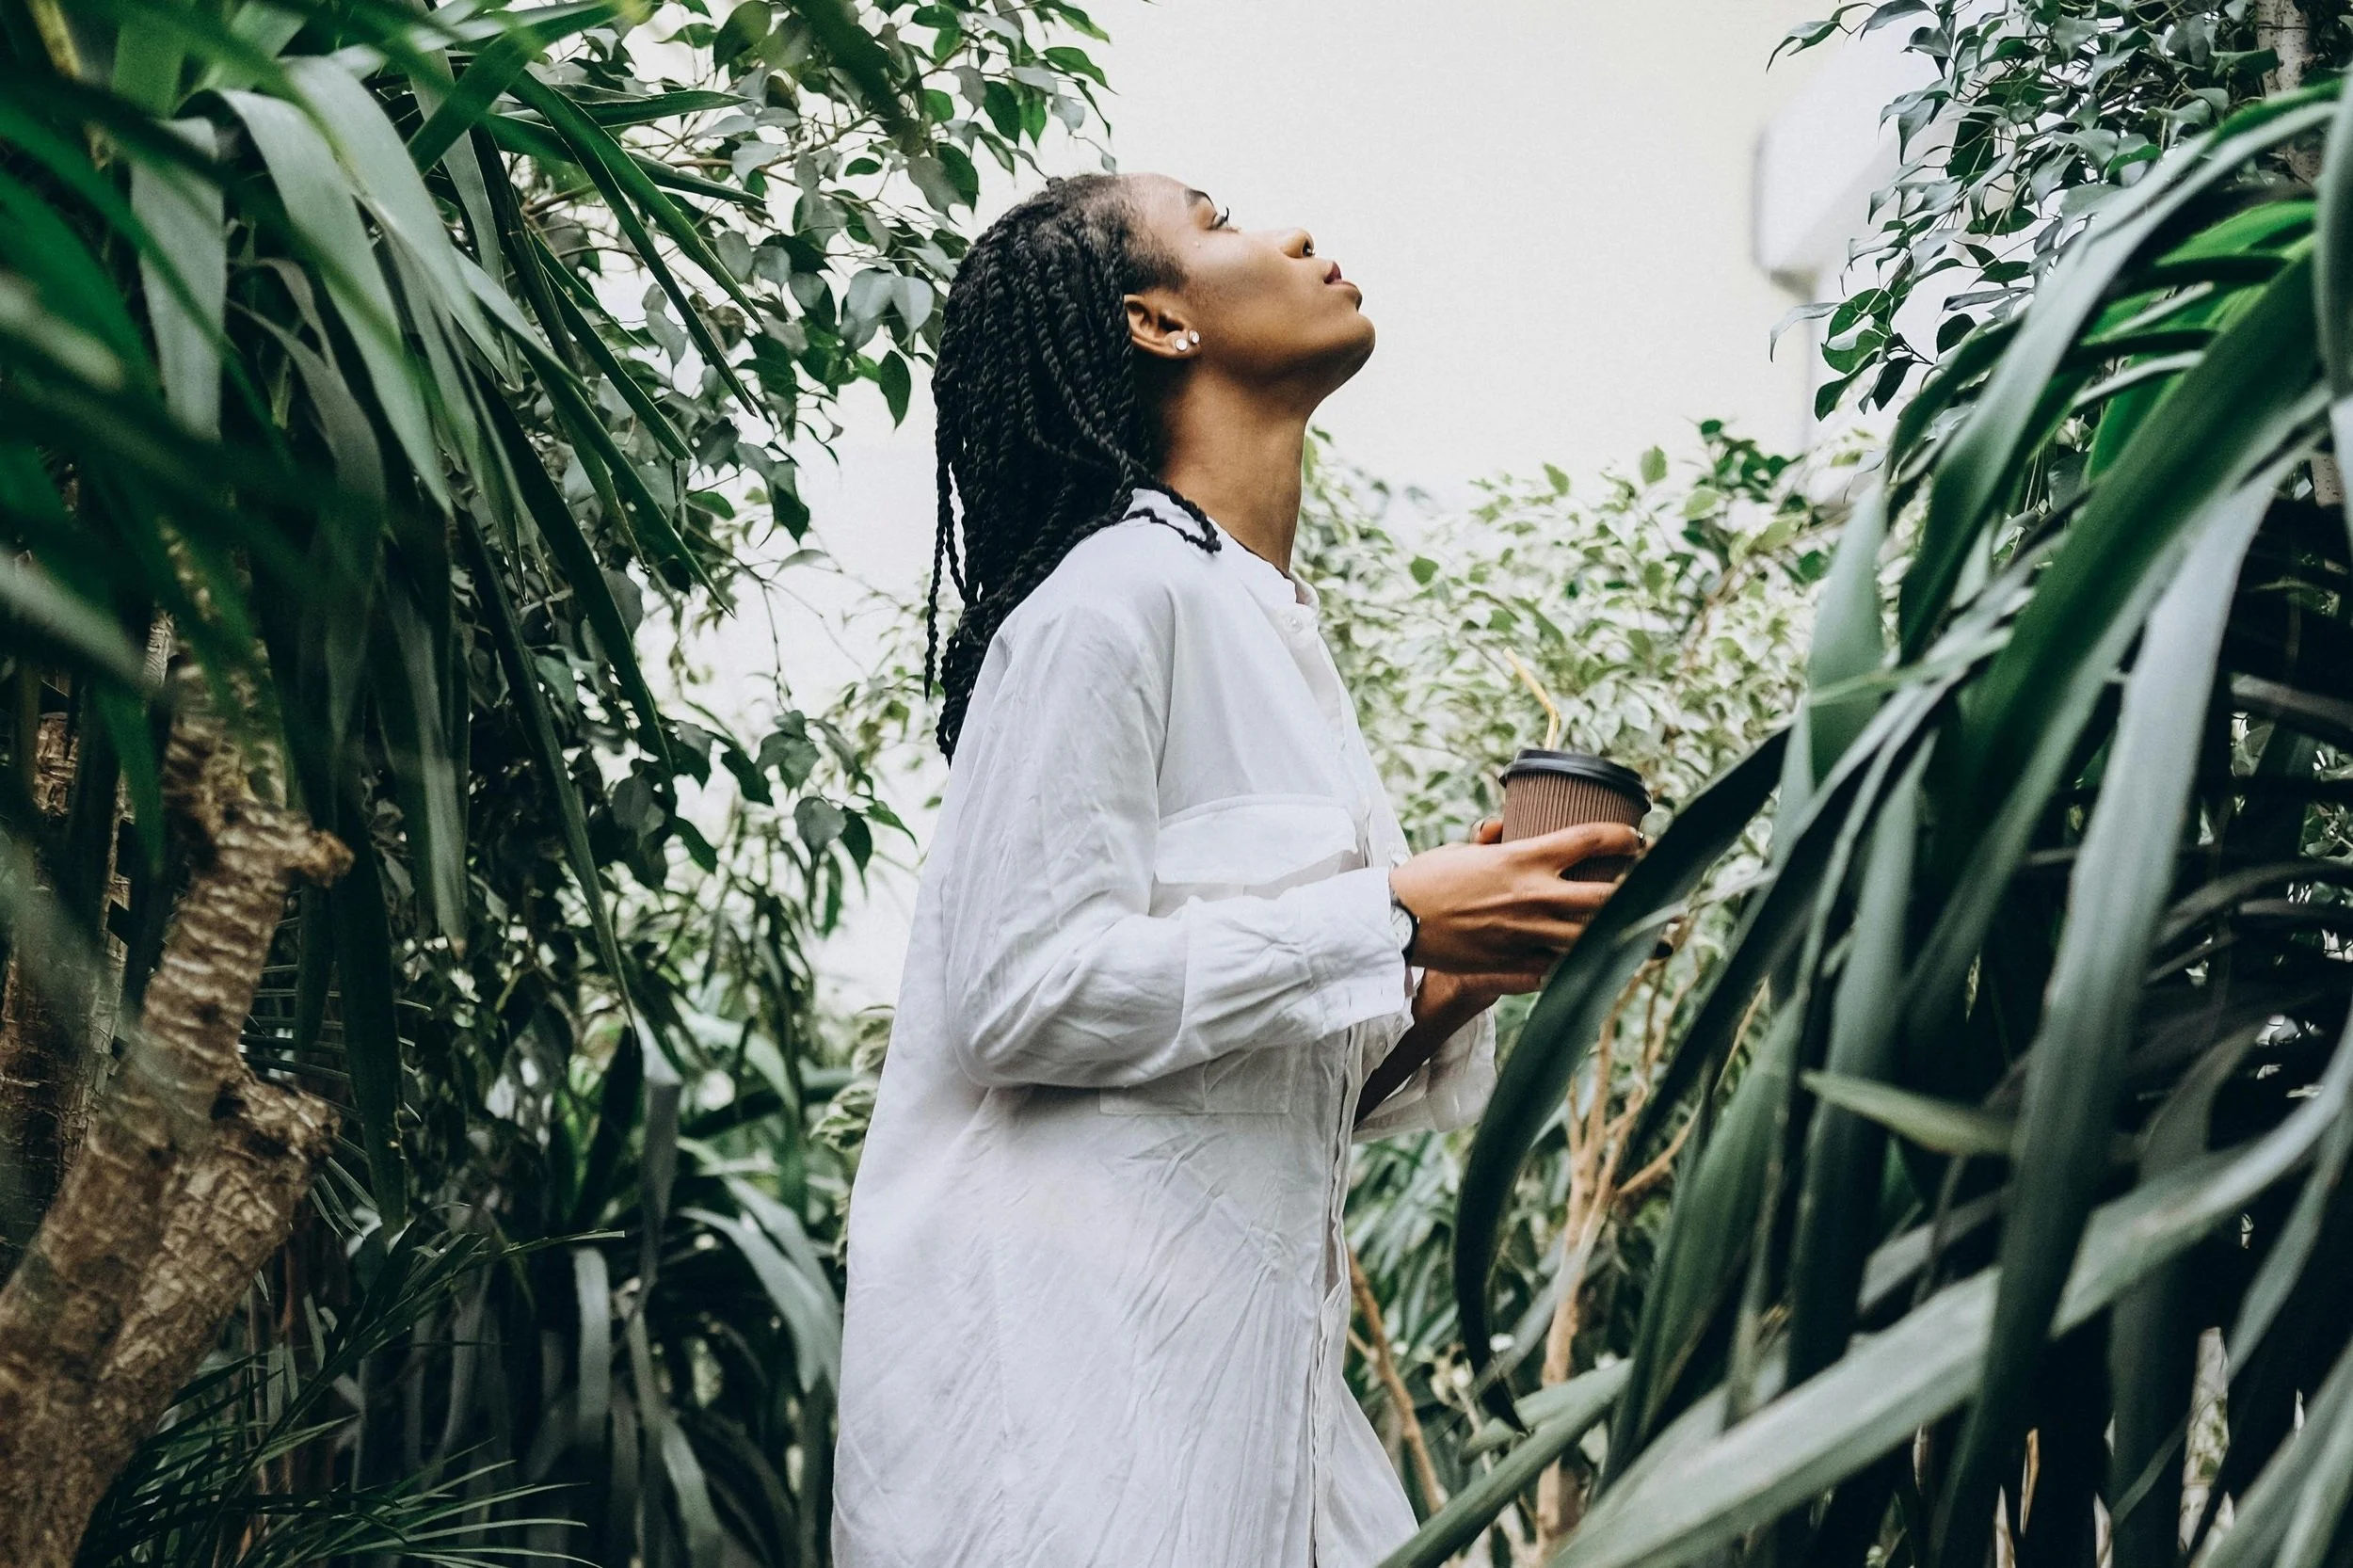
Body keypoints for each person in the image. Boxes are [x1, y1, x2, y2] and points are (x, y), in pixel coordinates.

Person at [830, 172, 1635, 1568]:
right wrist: (1393, 906)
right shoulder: (1106, 603)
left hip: (1250, 1411)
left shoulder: (1271, 640)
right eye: (1217, 223)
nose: (1295, 234)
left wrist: (1454, 965)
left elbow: (1262, 1067)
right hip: (1070, 1427)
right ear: (1156, 322)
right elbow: (1023, 993)